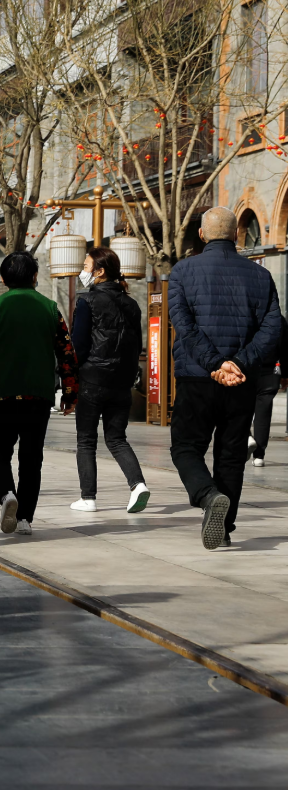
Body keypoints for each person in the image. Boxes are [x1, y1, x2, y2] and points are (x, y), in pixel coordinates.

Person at [168, 207, 281, 550]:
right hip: (240, 381)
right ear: (235, 235)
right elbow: (272, 329)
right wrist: (238, 363)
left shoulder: (182, 271)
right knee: (231, 455)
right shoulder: (261, 276)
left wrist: (215, 363)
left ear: (202, 235)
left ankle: (207, 496)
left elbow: (183, 324)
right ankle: (225, 528)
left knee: (186, 447)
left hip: (196, 376)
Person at [0, 252, 79, 536]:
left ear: (3, 279)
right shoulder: (50, 308)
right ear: (35, 277)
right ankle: (25, 518)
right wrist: (69, 393)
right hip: (38, 395)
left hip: (0, 393)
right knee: (31, 458)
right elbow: (67, 354)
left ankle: (7, 494)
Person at [69, 246, 149, 513]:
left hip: (92, 379)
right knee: (116, 439)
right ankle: (138, 485)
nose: (83, 271)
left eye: (86, 266)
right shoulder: (132, 304)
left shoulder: (87, 301)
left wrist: (71, 375)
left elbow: (79, 345)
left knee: (86, 440)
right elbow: (136, 345)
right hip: (122, 383)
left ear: (100, 272)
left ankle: (88, 497)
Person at [248, 322, 288, 467]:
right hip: (270, 371)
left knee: (239, 407)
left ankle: (247, 437)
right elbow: (284, 348)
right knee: (263, 413)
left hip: (246, 367)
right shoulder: (278, 319)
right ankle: (259, 456)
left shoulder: (246, 313)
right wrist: (285, 374)